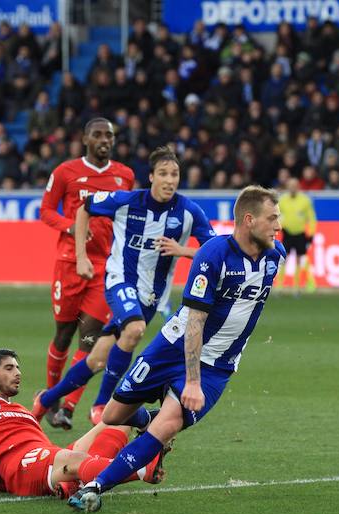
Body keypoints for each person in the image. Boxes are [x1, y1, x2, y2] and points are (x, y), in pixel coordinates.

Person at [68, 185, 285, 512]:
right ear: (249, 219)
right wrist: (190, 382)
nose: (278, 226)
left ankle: (96, 486)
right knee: (114, 416)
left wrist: (197, 382)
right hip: (171, 348)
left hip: (217, 366)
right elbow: (195, 323)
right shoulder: (213, 255)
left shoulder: (274, 256)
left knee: (167, 423)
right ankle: (147, 420)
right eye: (272, 218)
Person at [33, 146, 216, 428]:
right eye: (164, 174)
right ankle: (101, 405)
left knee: (97, 358)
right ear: (152, 177)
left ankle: (45, 400)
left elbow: (212, 251)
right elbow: (85, 208)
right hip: (119, 280)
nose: (170, 180)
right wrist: (81, 255)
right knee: (134, 330)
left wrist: (182, 251)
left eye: (175, 174)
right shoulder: (126, 201)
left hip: (152, 296)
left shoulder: (190, 212)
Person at [0, 349, 168, 497]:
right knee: (73, 458)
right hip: (18, 466)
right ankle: (144, 470)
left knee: (116, 418)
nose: (18, 373)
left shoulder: (19, 410)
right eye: (9, 368)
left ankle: (71, 483)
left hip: (47, 457)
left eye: (18, 368)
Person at [39, 118, 135, 429]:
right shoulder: (65, 172)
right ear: (85, 139)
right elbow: (46, 210)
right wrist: (69, 226)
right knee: (63, 335)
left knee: (90, 339)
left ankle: (67, 406)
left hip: (105, 267)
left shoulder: (124, 176)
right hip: (69, 265)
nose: (104, 140)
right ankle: (51, 398)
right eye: (98, 135)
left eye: (109, 135)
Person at [275, 177, 317, 292]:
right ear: (287, 187)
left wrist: (311, 235)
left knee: (300, 259)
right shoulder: (282, 200)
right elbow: (277, 216)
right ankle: (279, 286)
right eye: (290, 185)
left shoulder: (305, 200)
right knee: (284, 258)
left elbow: (312, 218)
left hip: (300, 233)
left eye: (294, 185)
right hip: (287, 233)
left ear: (298, 187)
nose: (292, 188)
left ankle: (297, 286)